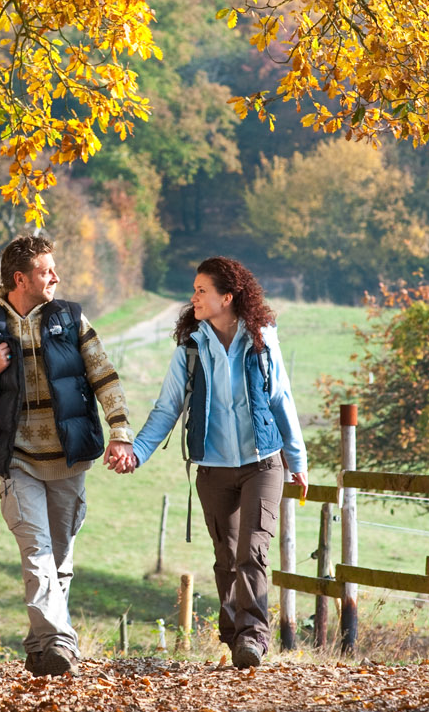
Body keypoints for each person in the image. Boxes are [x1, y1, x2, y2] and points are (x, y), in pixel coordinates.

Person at [0, 235, 135, 677]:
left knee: (60, 561)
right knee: (36, 552)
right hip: (17, 461)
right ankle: (60, 643)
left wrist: (121, 430)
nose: (55, 276)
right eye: (45, 270)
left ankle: (41, 648)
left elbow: (103, 375)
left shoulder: (71, 319)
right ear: (21, 278)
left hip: (68, 458)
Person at [128, 257, 307, 669]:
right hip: (212, 468)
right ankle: (234, 637)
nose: (194, 298)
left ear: (227, 297)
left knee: (252, 552)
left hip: (263, 463)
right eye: (194, 290)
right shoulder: (192, 348)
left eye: (201, 290)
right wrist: (138, 451)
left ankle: (254, 637)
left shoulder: (262, 341)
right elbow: (167, 408)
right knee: (226, 556)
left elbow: (281, 399)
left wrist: (296, 460)